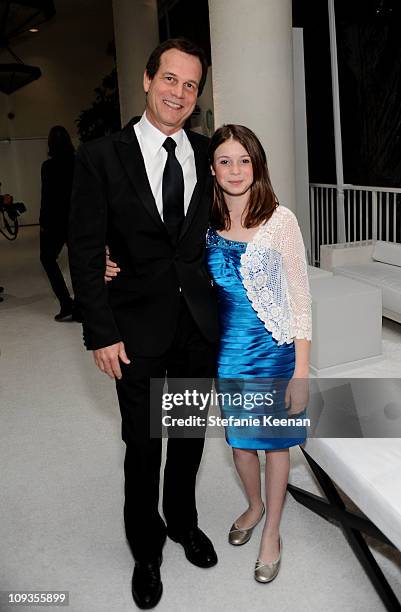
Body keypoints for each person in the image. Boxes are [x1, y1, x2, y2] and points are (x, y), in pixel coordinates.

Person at [106, 124, 312, 584]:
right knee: (240, 446)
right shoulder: (204, 219)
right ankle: (254, 505)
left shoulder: (282, 220)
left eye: (244, 160)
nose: (235, 170)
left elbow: (300, 299)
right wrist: (104, 254)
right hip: (223, 352)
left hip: (274, 350)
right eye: (224, 161)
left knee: (276, 447)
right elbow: (149, 240)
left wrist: (301, 370)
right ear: (211, 170)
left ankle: (272, 531)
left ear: (258, 165)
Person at [68, 39, 219, 610]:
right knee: (142, 443)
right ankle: (146, 546)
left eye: (190, 85)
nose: (178, 92)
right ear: (147, 79)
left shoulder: (210, 153)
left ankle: (182, 522)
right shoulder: (101, 156)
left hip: (197, 327)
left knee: (187, 437)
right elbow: (84, 251)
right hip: (133, 332)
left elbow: (234, 221)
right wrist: (100, 331)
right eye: (170, 79)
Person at [39, 125, 76, 321]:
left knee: (47, 259)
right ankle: (82, 307)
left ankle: (66, 303)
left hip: (54, 222)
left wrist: (42, 222)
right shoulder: (78, 162)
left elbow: (47, 197)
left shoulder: (48, 166)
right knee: (77, 262)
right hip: (76, 220)